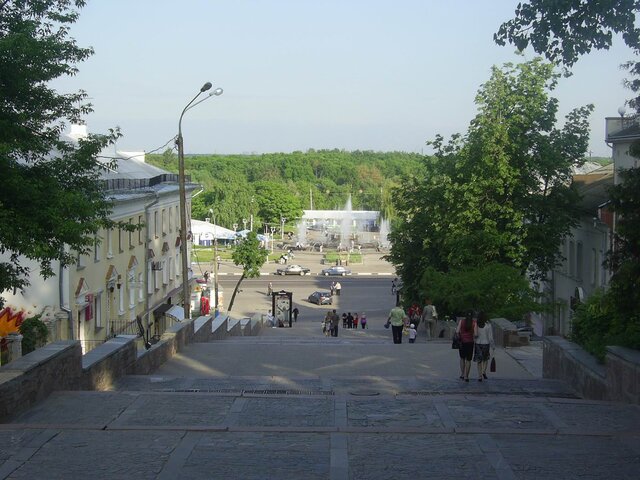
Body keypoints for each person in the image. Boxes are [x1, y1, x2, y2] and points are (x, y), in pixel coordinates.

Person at [456, 311, 477, 382]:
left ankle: (462, 374)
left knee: (462, 358)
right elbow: (476, 334)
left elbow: (457, 331)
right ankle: (466, 376)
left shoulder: (461, 321)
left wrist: (460, 336)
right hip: (470, 343)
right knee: (468, 360)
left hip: (462, 342)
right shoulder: (474, 323)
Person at [474, 311, 495, 381]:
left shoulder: (476, 324)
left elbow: (475, 334)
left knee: (479, 360)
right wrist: (493, 346)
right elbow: (490, 338)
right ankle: (483, 371)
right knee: (485, 359)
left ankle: (479, 376)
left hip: (478, 343)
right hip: (486, 343)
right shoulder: (488, 325)